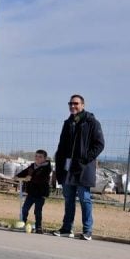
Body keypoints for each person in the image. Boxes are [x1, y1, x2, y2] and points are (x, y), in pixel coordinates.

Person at [52, 94, 104, 240]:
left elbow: (99, 144)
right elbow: (61, 146)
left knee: (84, 198)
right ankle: (67, 228)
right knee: (68, 199)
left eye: (75, 103)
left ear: (82, 105)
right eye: (70, 103)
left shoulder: (92, 122)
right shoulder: (68, 123)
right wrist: (59, 165)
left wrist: (85, 159)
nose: (72, 106)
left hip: (83, 168)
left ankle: (87, 230)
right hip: (68, 168)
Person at [15, 149, 53, 233]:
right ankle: (23, 223)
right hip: (31, 193)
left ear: (44, 158)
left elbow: (40, 178)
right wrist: (18, 177)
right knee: (24, 209)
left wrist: (29, 178)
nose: (37, 158)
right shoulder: (32, 166)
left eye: (40, 157)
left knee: (37, 211)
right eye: (36, 156)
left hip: (41, 193)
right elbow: (23, 173)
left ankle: (38, 227)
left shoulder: (47, 168)